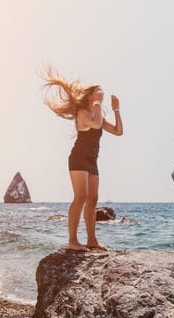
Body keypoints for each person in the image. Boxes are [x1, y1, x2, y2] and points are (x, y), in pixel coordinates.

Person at [43, 67, 123, 251]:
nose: (102, 91)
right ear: (91, 95)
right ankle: (72, 241)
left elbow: (118, 131)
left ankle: (92, 240)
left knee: (93, 198)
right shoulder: (83, 113)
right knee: (81, 196)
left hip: (92, 161)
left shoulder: (98, 114)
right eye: (99, 90)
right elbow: (95, 123)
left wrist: (116, 109)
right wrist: (96, 105)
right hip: (78, 158)